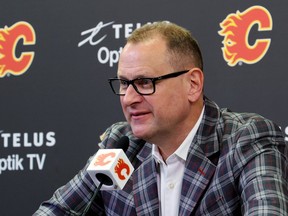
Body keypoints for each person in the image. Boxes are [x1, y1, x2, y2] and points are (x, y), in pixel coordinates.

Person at [34, 21, 288, 215]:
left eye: (144, 82)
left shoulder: (246, 140)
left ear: (193, 84)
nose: (128, 98)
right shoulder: (122, 145)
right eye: (124, 83)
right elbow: (56, 211)